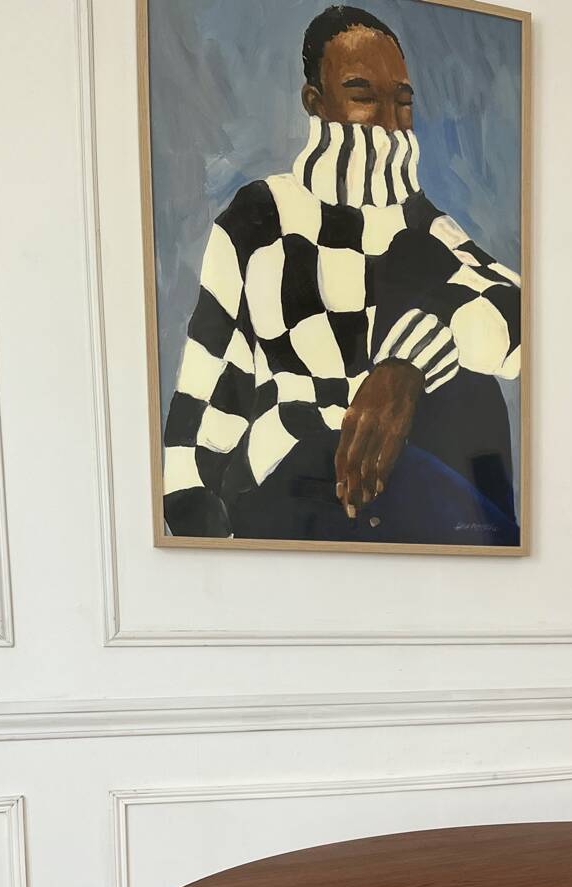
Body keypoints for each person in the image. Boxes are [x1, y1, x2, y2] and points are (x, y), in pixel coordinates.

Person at [161, 5, 521, 545]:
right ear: (316, 102)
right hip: (291, 488)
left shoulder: (423, 227)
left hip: (409, 490)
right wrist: (198, 535)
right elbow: (204, 399)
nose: (388, 121)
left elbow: (520, 315)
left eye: (402, 102)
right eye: (363, 96)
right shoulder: (261, 216)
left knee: (431, 288)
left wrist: (405, 365)